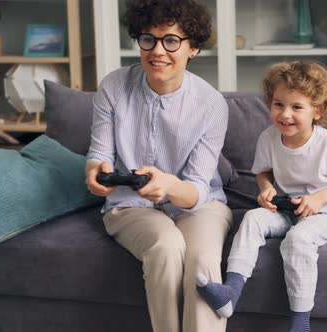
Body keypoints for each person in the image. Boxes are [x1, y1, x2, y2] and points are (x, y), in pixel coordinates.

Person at [84, 1, 232, 332]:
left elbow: (195, 190)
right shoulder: (113, 87)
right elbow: (99, 153)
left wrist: (167, 185)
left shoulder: (211, 106)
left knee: (203, 262)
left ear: (193, 48)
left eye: (171, 41)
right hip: (129, 204)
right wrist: (95, 173)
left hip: (199, 205)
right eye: (148, 39)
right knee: (167, 246)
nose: (157, 51)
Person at [196, 61, 327, 332]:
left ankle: (300, 324)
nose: (285, 114)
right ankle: (230, 293)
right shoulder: (268, 137)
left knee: (297, 240)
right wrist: (266, 189)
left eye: (297, 107)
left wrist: (320, 199)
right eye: (278, 104)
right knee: (252, 218)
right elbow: (264, 173)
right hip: (288, 207)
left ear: (317, 111)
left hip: (326, 212)